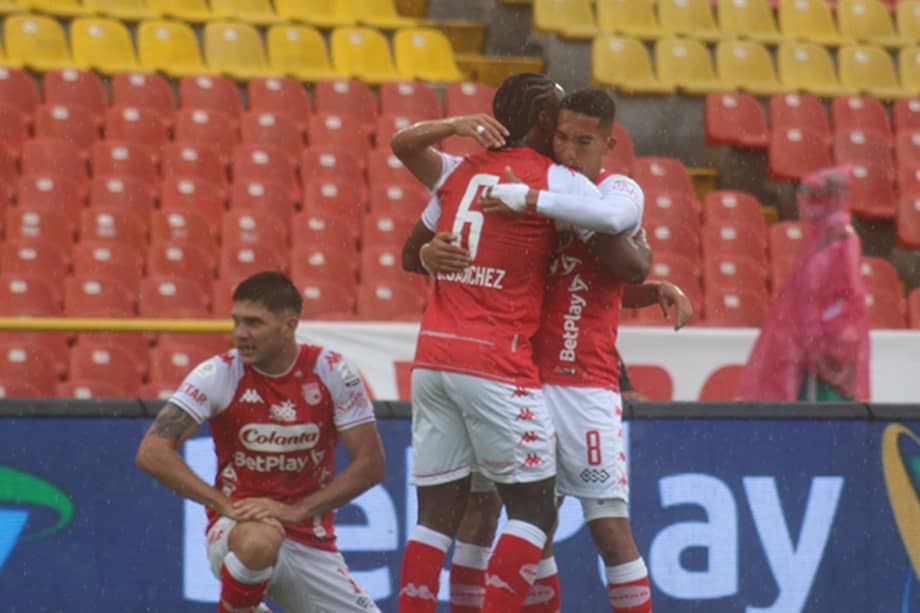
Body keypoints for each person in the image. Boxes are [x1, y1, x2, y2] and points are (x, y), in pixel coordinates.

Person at [404, 88, 693, 612]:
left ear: (608, 142)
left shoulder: (610, 189)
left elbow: (628, 266)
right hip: (519, 377)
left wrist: (645, 286)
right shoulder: (529, 177)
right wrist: (428, 251)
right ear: (547, 128)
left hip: (585, 383)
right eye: (562, 135)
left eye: (583, 140)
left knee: (608, 529)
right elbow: (418, 243)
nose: (569, 148)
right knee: (498, 517)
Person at [135, 271, 386, 613]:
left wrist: (296, 511)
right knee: (260, 540)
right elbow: (152, 451)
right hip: (237, 531)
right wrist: (223, 504)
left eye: (254, 323)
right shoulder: (220, 373)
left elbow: (371, 465)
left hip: (310, 540)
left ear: (290, 326)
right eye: (236, 321)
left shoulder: (332, 372)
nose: (241, 334)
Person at [737, 165, 870, 401]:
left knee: (821, 412)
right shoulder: (826, 239)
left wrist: (819, 334)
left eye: (817, 197)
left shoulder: (841, 239)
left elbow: (846, 294)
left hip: (825, 349)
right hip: (816, 347)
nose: (810, 206)